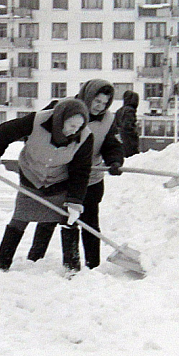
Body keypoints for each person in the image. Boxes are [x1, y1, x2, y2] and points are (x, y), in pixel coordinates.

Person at [0, 98, 93, 273]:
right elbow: (3, 132)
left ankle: (72, 270)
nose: (73, 131)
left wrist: (75, 201)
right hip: (31, 177)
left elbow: (81, 172)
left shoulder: (85, 138)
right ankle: (0, 266)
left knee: (68, 220)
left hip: (59, 182)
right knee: (19, 219)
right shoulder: (37, 121)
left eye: (78, 127)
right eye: (71, 125)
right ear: (60, 119)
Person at [27, 80, 124, 270]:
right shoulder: (61, 107)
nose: (100, 107)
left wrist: (115, 161)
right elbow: (37, 130)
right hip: (59, 176)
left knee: (90, 223)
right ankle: (35, 260)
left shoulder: (108, 120)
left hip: (90, 178)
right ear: (87, 96)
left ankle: (92, 266)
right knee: (49, 218)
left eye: (105, 103)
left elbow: (112, 144)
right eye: (97, 101)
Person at [115, 90, 140, 158]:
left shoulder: (119, 110)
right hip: (128, 140)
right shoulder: (130, 110)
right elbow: (128, 126)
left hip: (120, 139)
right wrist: (134, 133)